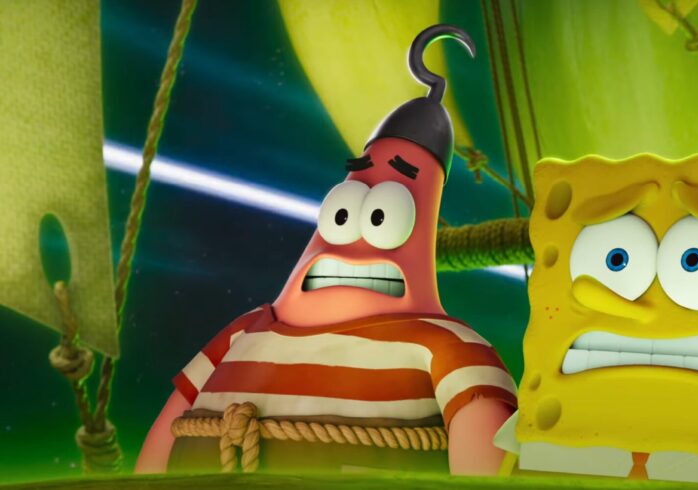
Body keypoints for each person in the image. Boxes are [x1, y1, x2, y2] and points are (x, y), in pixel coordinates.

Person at [136, 25, 515, 476]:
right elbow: (165, 433)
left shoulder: (446, 347)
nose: (353, 244)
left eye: (382, 217)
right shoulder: (244, 331)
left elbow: (483, 444)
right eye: (343, 214)